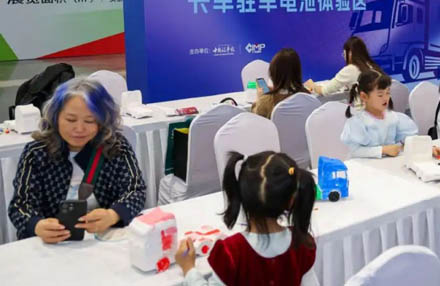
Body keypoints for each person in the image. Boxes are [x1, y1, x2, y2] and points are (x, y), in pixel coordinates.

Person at [8, 78, 146, 242]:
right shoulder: (36, 153)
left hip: (102, 239)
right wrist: (36, 225)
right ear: (55, 117)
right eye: (70, 120)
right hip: (51, 243)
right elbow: (20, 205)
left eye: (90, 121)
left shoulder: (116, 147)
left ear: (102, 121)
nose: (79, 129)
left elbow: (136, 190)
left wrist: (113, 214)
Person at [175, 151, 318, 286]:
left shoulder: (230, 252)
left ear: (240, 193)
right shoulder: (302, 244)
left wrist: (189, 269)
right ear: (291, 200)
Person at [340, 70, 424, 158]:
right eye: (380, 95)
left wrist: (425, 147)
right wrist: (382, 150)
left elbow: (409, 139)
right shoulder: (358, 123)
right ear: (364, 96)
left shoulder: (394, 118)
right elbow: (355, 151)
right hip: (364, 164)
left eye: (387, 93)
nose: (385, 98)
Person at [305, 36, 382, 96]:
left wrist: (312, 85)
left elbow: (324, 91)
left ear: (350, 53)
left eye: (344, 54)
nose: (344, 58)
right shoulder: (372, 66)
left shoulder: (350, 69)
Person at [252, 48, 310, 119]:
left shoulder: (266, 101)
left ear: (273, 72)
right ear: (297, 71)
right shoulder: (307, 97)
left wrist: (259, 98)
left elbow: (256, 118)